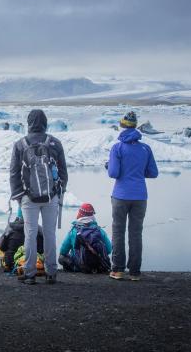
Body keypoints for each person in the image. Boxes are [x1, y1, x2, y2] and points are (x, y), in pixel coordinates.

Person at [10, 109, 68, 285]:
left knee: (30, 234)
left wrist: (20, 197)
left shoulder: (20, 144)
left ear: (29, 123)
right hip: (51, 197)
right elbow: (64, 172)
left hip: (28, 197)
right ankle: (51, 272)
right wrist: (59, 191)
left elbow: (13, 174)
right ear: (45, 122)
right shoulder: (55, 143)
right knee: (50, 234)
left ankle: (30, 273)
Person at [107, 111, 158, 281]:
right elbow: (153, 173)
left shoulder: (117, 148)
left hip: (120, 196)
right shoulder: (145, 148)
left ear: (122, 126)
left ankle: (118, 270)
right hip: (140, 196)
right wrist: (137, 170)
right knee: (136, 233)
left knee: (118, 231)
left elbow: (113, 173)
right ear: (135, 127)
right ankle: (135, 272)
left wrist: (109, 165)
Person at [58, 203, 112, 273]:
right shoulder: (99, 231)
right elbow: (109, 250)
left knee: (61, 258)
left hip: (80, 266)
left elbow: (63, 251)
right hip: (97, 265)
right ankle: (94, 268)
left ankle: (75, 267)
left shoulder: (74, 230)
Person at [0, 205, 44, 273]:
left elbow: (2, 247)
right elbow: (41, 249)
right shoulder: (37, 227)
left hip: (12, 263)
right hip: (33, 261)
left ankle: (7, 265)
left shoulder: (10, 227)